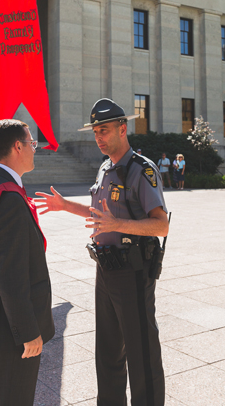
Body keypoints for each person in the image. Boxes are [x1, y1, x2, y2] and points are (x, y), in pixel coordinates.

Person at [35, 98, 169, 406]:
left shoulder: (140, 169)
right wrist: (66, 205)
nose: (98, 137)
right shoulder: (106, 168)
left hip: (133, 271)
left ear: (123, 129)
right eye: (95, 131)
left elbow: (161, 226)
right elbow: (99, 215)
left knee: (141, 353)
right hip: (106, 268)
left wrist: (117, 223)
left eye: (104, 130)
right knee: (107, 352)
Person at [0, 119, 54, 406]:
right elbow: (11, 275)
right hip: (10, 330)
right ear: (18, 146)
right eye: (32, 143)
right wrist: (28, 332)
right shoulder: (9, 199)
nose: (34, 149)